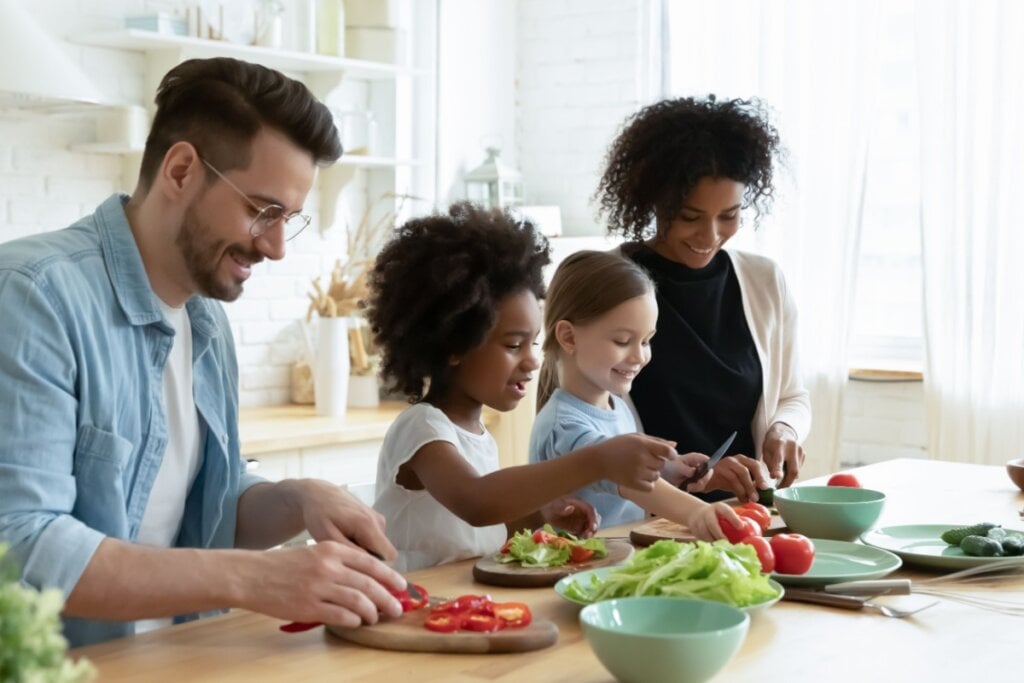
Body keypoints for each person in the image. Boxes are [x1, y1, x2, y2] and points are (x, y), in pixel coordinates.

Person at [0, 57, 407, 648]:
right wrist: (252, 579)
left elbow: (200, 508)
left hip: (174, 658)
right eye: (262, 210)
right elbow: (22, 545)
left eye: (287, 220)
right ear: (182, 170)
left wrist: (294, 497)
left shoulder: (206, 320)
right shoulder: (33, 296)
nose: (275, 246)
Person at [365, 203, 688, 572]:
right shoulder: (422, 428)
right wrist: (598, 460)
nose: (533, 361)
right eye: (513, 345)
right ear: (454, 344)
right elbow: (476, 503)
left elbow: (477, 528)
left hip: (455, 603)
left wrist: (541, 515)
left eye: (532, 344)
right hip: (407, 604)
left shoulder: (476, 433)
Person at [595, 95, 811, 502]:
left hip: (746, 514)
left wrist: (785, 429)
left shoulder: (764, 282)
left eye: (728, 215)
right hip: (645, 521)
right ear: (653, 201)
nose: (709, 236)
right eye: (690, 217)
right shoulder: (605, 283)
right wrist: (697, 475)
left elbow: (792, 395)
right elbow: (577, 434)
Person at [529, 250, 741, 536]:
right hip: (580, 572)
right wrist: (697, 512)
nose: (640, 356)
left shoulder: (616, 406)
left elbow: (619, 482)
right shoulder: (564, 425)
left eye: (646, 341)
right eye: (623, 340)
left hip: (615, 559)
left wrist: (667, 471)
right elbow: (624, 478)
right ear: (568, 337)